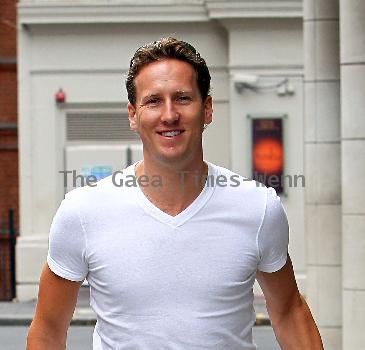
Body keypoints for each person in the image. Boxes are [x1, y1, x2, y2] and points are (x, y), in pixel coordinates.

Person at [27, 37, 323, 350]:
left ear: (207, 109)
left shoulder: (257, 207)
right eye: (153, 101)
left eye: (182, 98)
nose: (169, 115)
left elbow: (290, 311)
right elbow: (47, 329)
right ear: (133, 115)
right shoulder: (84, 212)